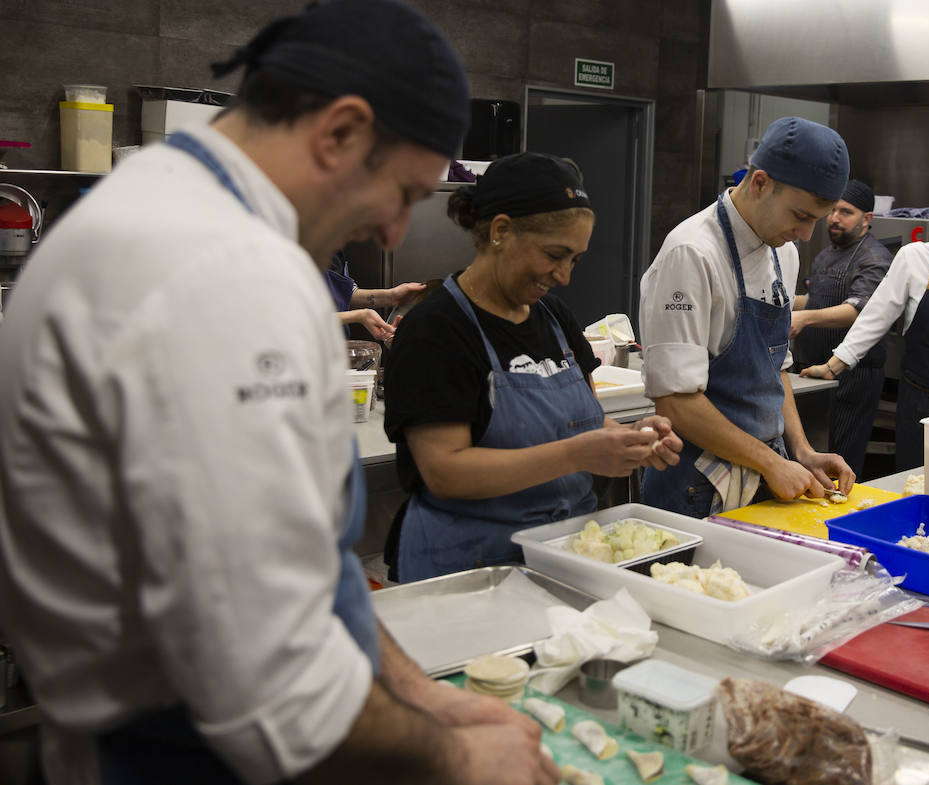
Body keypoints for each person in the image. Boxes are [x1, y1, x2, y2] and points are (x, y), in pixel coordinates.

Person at [0, 3, 559, 784]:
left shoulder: (165, 207)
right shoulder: (221, 270)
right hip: (175, 753)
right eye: (405, 190)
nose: (398, 231)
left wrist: (428, 698)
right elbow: (271, 680)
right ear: (338, 132)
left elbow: (310, 562)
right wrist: (457, 754)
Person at [383, 152, 681, 582]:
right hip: (471, 566)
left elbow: (585, 426)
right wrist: (578, 454)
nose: (564, 276)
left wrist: (632, 440)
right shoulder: (436, 330)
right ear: (501, 231)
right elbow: (445, 473)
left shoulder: (553, 318)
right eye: (554, 254)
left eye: (575, 260)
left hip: (563, 553)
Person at [639, 116, 855, 517]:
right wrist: (772, 463)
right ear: (760, 183)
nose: (807, 234)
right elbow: (675, 402)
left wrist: (801, 451)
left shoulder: (782, 252)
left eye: (815, 220)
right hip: (695, 486)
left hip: (763, 474)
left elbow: (775, 370)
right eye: (801, 215)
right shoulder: (692, 253)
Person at [801, 184, 929, 469]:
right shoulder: (915, 257)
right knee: (914, 480)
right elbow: (877, 315)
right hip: (920, 402)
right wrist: (833, 366)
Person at [789, 179, 893, 477]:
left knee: (840, 459)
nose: (834, 218)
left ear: (867, 219)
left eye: (845, 212)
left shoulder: (874, 258)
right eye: (832, 210)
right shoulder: (828, 253)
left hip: (852, 378)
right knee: (811, 456)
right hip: (814, 373)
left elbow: (859, 309)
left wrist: (806, 318)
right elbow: (816, 298)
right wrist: (783, 303)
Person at [326, 250, 426, 341]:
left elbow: (342, 295)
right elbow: (310, 319)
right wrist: (360, 316)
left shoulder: (335, 252)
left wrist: (391, 296)